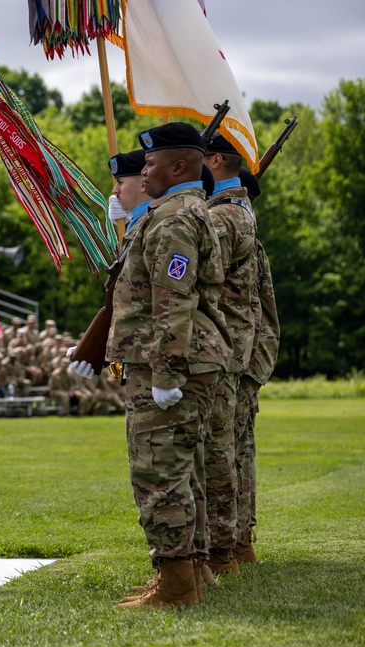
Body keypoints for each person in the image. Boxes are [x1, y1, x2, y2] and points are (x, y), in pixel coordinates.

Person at [74, 123, 230, 609]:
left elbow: (173, 302)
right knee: (180, 470)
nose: (143, 173)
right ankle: (189, 573)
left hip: (169, 364)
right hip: (178, 359)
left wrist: (164, 374)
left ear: (179, 166)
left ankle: (178, 585)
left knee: (158, 472)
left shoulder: (175, 220)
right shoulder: (173, 214)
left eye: (151, 163)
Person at [201, 132, 258, 575]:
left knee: (219, 449)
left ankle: (224, 548)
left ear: (214, 160)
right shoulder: (240, 211)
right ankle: (237, 542)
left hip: (220, 346)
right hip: (240, 345)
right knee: (234, 446)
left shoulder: (222, 218)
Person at [233, 170, 278, 564]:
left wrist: (250, 373)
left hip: (235, 365)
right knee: (236, 454)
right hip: (240, 363)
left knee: (231, 455)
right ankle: (238, 541)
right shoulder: (251, 242)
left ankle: (235, 542)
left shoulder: (244, 242)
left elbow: (262, 318)